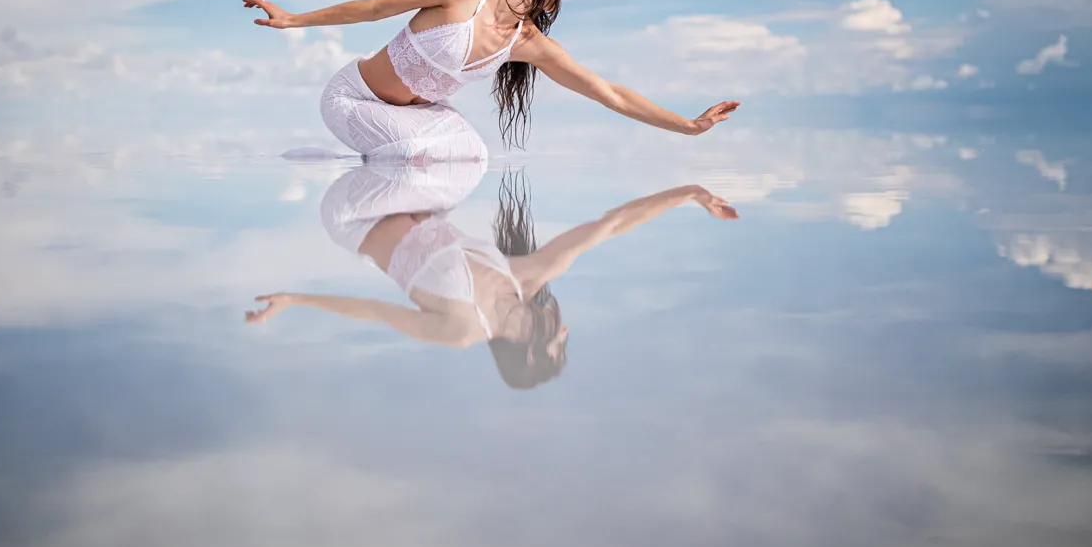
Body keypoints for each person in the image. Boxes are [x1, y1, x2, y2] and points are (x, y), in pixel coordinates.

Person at [243, 0, 740, 162]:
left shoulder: (529, 43)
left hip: (419, 115)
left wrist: (690, 126)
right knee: (417, 152)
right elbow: (376, 7)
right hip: (354, 99)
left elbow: (607, 92)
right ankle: (323, 169)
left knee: (472, 159)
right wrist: (294, 20)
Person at [246, 165, 738, 390]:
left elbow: (374, 311)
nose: (563, 331)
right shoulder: (524, 275)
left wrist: (295, 298)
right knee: (466, 160)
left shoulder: (461, 329)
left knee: (441, 159)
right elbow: (607, 226)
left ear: (528, 351)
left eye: (558, 346)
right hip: (411, 200)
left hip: (353, 215)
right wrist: (687, 194)